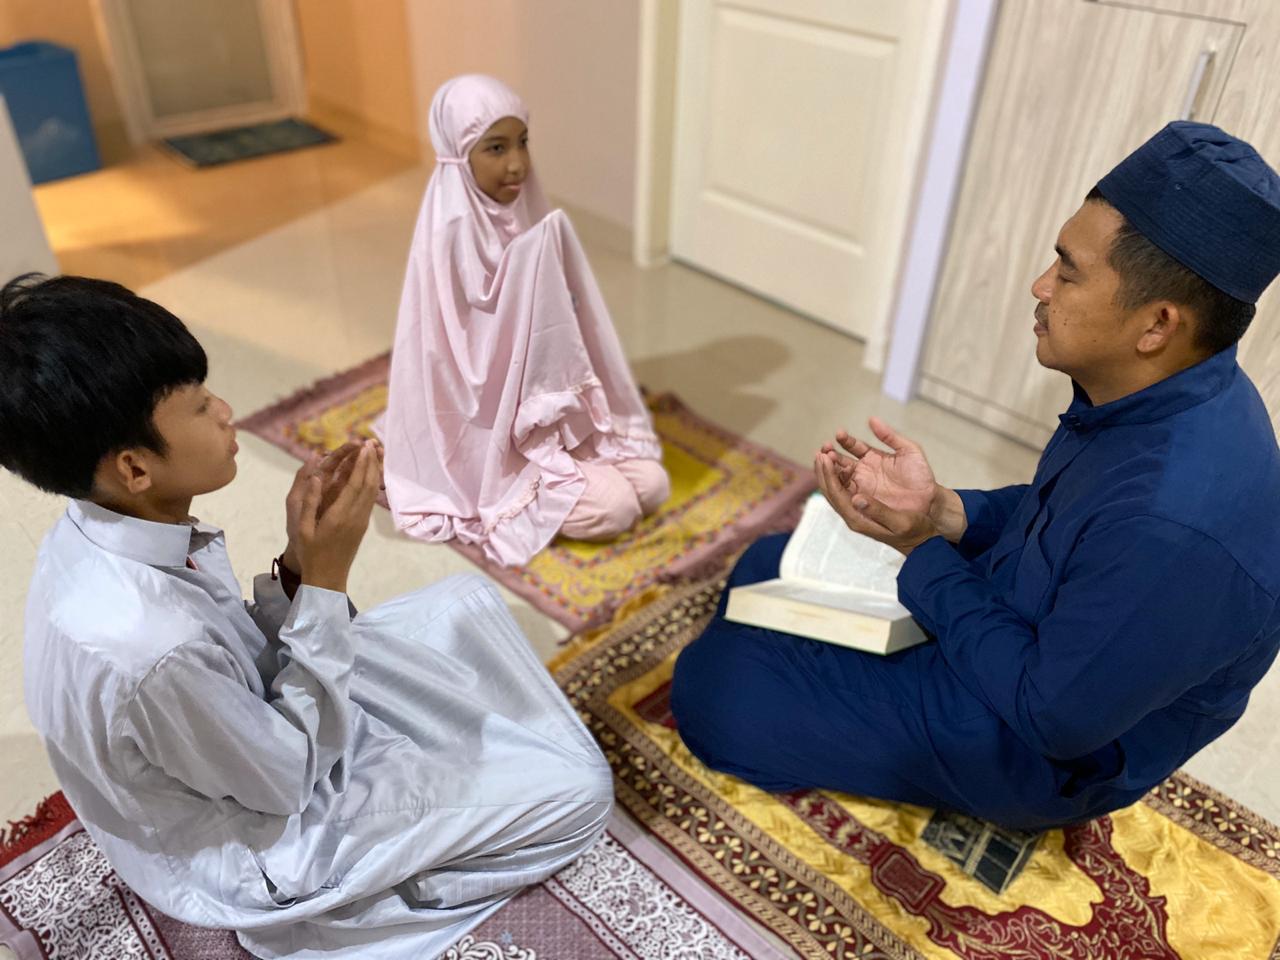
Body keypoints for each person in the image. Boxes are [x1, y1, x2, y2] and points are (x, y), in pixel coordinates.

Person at [671, 121, 1280, 831]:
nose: (1040, 286)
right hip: (1020, 627)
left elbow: (1052, 715)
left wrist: (920, 551)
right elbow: (1069, 518)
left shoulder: (1177, 528)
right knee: (763, 568)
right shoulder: (1165, 390)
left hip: (1027, 743)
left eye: (1068, 272)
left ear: (1157, 325)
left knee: (714, 689)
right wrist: (943, 511)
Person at [2, 274, 613, 959]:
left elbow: (237, 657)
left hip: (247, 742)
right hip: (260, 838)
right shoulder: (151, 643)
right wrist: (324, 580)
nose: (226, 411)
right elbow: (283, 781)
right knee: (580, 793)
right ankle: (348, 909)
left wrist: (298, 564)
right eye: (200, 406)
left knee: (460, 605)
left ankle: (424, 793)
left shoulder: (101, 526)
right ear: (135, 469)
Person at [377, 74, 668, 567]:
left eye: (523, 142)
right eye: (496, 148)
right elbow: (473, 370)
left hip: (544, 406)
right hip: (491, 429)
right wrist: (531, 270)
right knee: (616, 508)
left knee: (653, 484)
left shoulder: (521, 208)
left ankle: (567, 469)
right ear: (458, 154)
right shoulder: (452, 232)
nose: (517, 164)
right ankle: (537, 491)